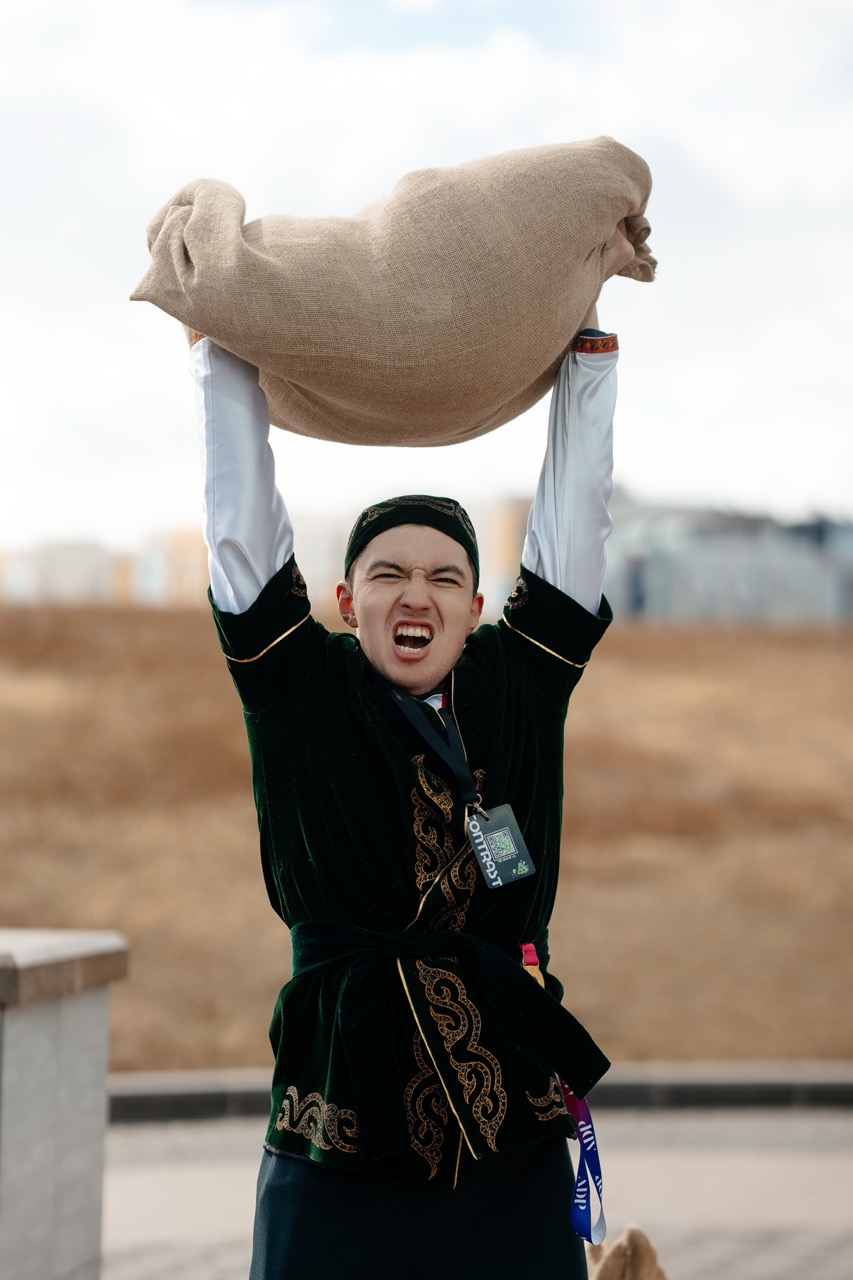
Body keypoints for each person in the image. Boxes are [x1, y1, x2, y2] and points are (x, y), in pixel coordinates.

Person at [189, 226, 635, 1280]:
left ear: (476, 609)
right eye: (388, 573)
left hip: (510, 1119)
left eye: (443, 576)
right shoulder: (297, 686)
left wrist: (585, 328)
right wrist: (221, 346)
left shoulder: (518, 683)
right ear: (347, 602)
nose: (415, 592)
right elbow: (242, 527)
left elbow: (576, 521)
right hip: (338, 1118)